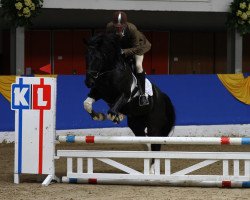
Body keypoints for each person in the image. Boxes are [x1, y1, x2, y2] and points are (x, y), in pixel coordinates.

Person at [106, 11, 151, 106]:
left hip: (138, 47)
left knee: (138, 66)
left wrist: (123, 51)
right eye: (116, 26)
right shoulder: (109, 27)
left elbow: (136, 48)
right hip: (122, 47)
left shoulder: (132, 29)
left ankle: (143, 95)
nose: (118, 28)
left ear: (125, 24)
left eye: (120, 26)